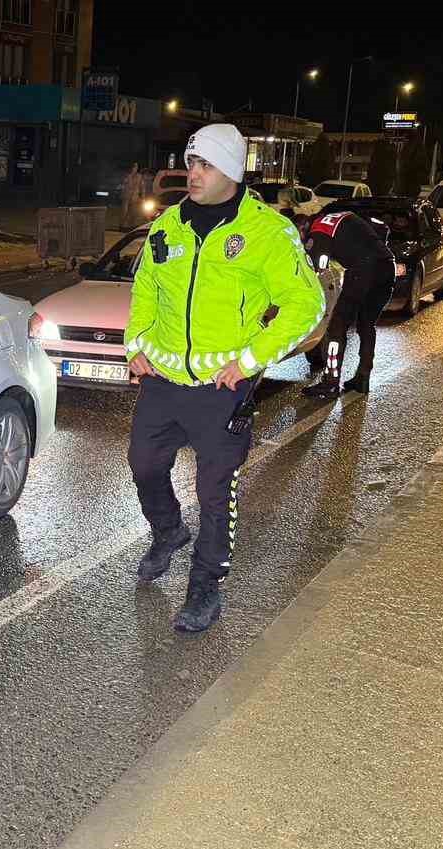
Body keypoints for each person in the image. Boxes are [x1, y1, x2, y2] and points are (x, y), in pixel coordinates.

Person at [125, 124, 326, 633]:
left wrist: (252, 359)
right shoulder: (167, 225)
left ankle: (205, 586)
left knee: (216, 491)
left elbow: (307, 303)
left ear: (231, 172)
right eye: (191, 162)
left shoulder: (266, 232)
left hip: (222, 388)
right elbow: (146, 287)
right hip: (164, 379)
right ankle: (168, 531)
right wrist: (136, 343)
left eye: (205, 165)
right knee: (144, 465)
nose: (192, 173)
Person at [296, 208, 394, 397]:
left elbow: (317, 267)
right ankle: (363, 378)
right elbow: (382, 230)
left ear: (304, 227)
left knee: (336, 327)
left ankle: (331, 383)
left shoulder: (319, 228)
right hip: (387, 266)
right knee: (367, 325)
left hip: (363, 270)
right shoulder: (344, 215)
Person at [122, 162, 146, 230]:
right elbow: (123, 186)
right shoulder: (127, 176)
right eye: (134, 167)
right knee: (125, 212)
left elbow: (142, 187)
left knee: (134, 212)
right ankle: (123, 226)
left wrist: (143, 197)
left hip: (135, 197)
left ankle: (132, 226)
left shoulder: (139, 176)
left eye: (136, 167)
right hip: (126, 197)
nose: (135, 168)